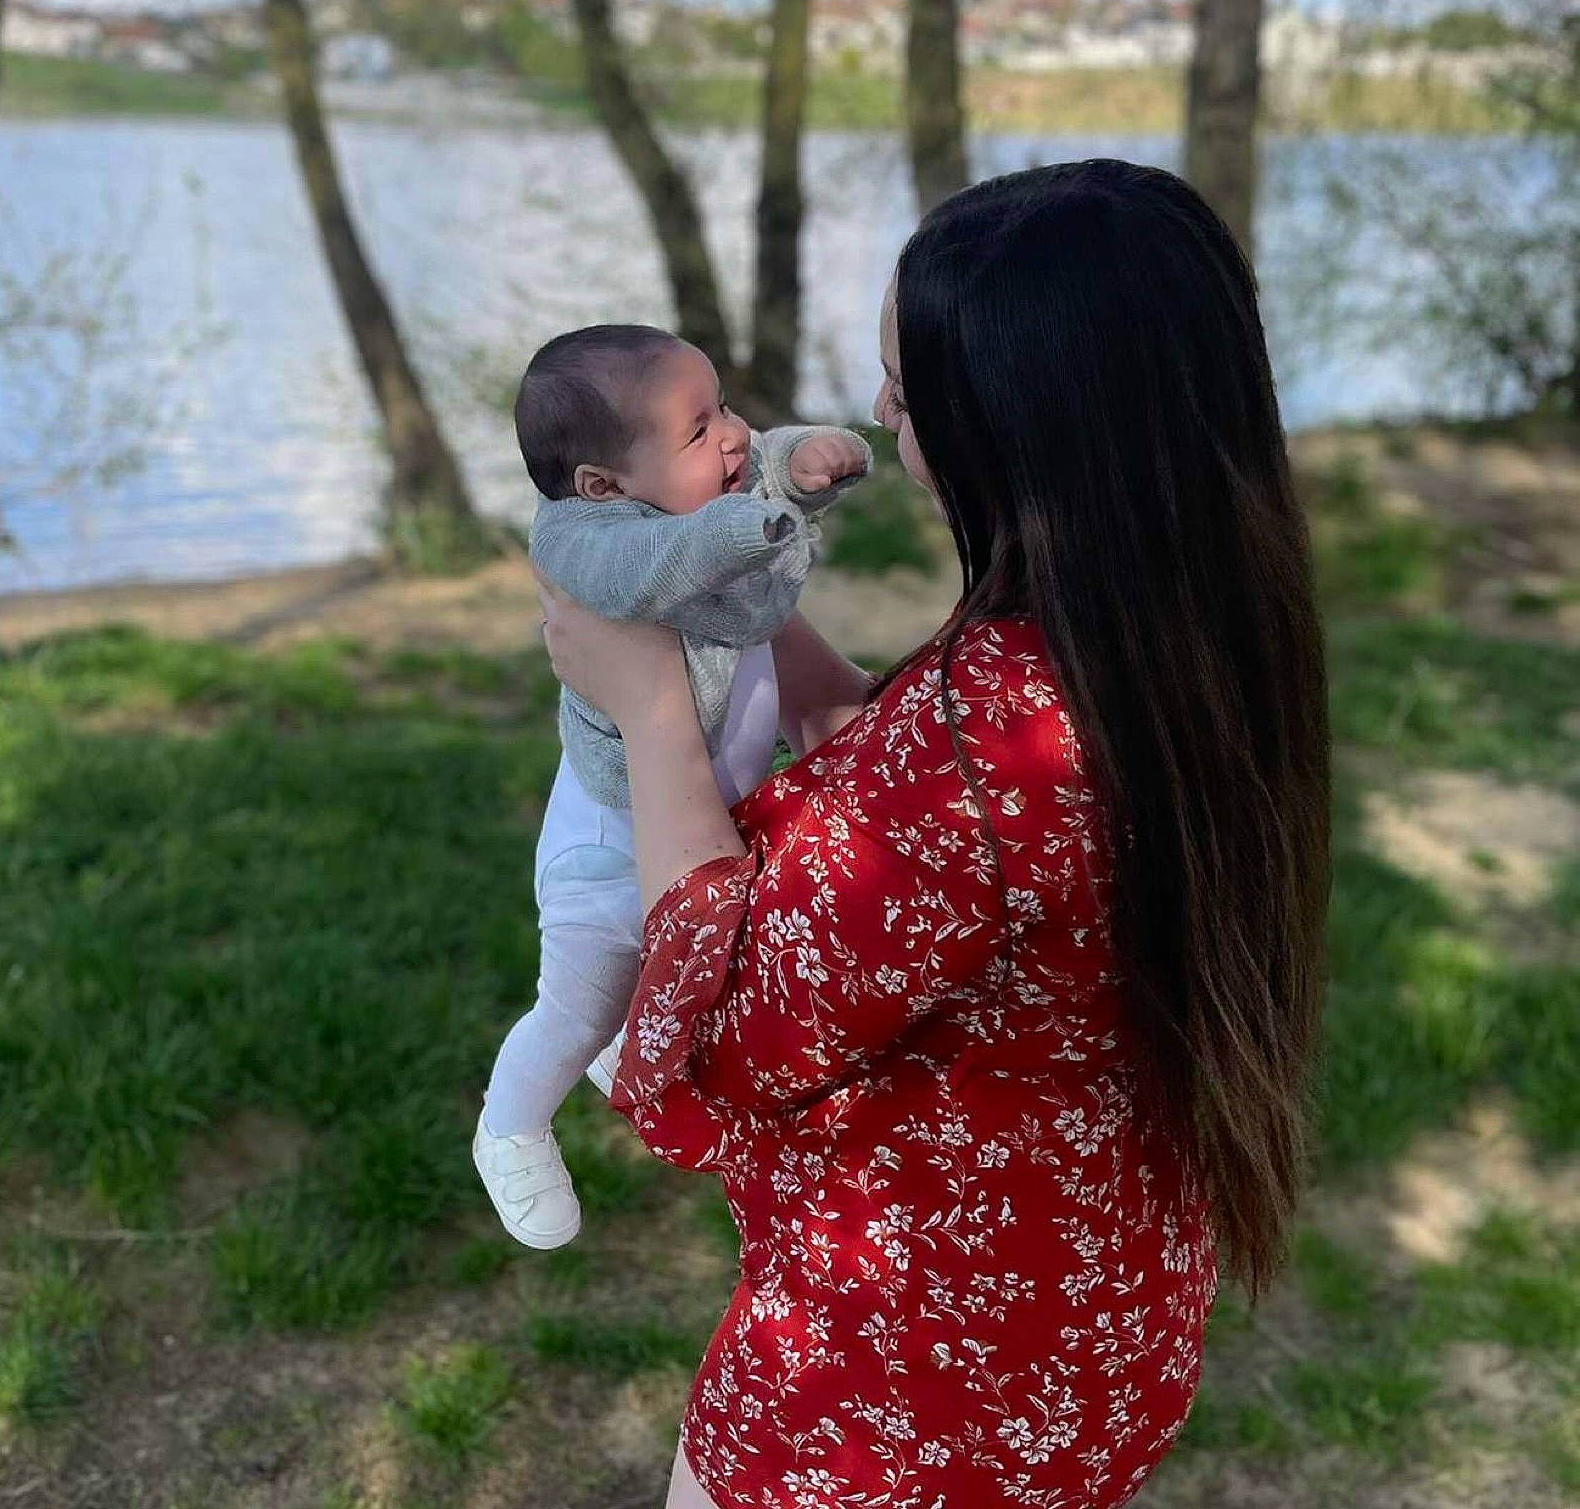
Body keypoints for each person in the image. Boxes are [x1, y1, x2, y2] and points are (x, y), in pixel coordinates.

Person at [536, 161, 1332, 1508]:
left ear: (1012, 419)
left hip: (898, 1390)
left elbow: (734, 1022)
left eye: (909, 383)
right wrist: (765, 630)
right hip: (1088, 1316)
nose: (882, 410)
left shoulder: (993, 733)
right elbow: (926, 833)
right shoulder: (1188, 641)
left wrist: (651, 712)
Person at [475, 325, 869, 1248]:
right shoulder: (584, 543)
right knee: (572, 1008)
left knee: (652, 993)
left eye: (724, 405)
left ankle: (620, 1047)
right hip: (605, 856)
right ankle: (511, 1129)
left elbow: (759, 466)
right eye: (700, 430)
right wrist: (752, 522)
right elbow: (660, 565)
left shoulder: (699, 497)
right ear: (603, 486)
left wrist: (802, 461)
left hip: (679, 836)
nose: (733, 434)